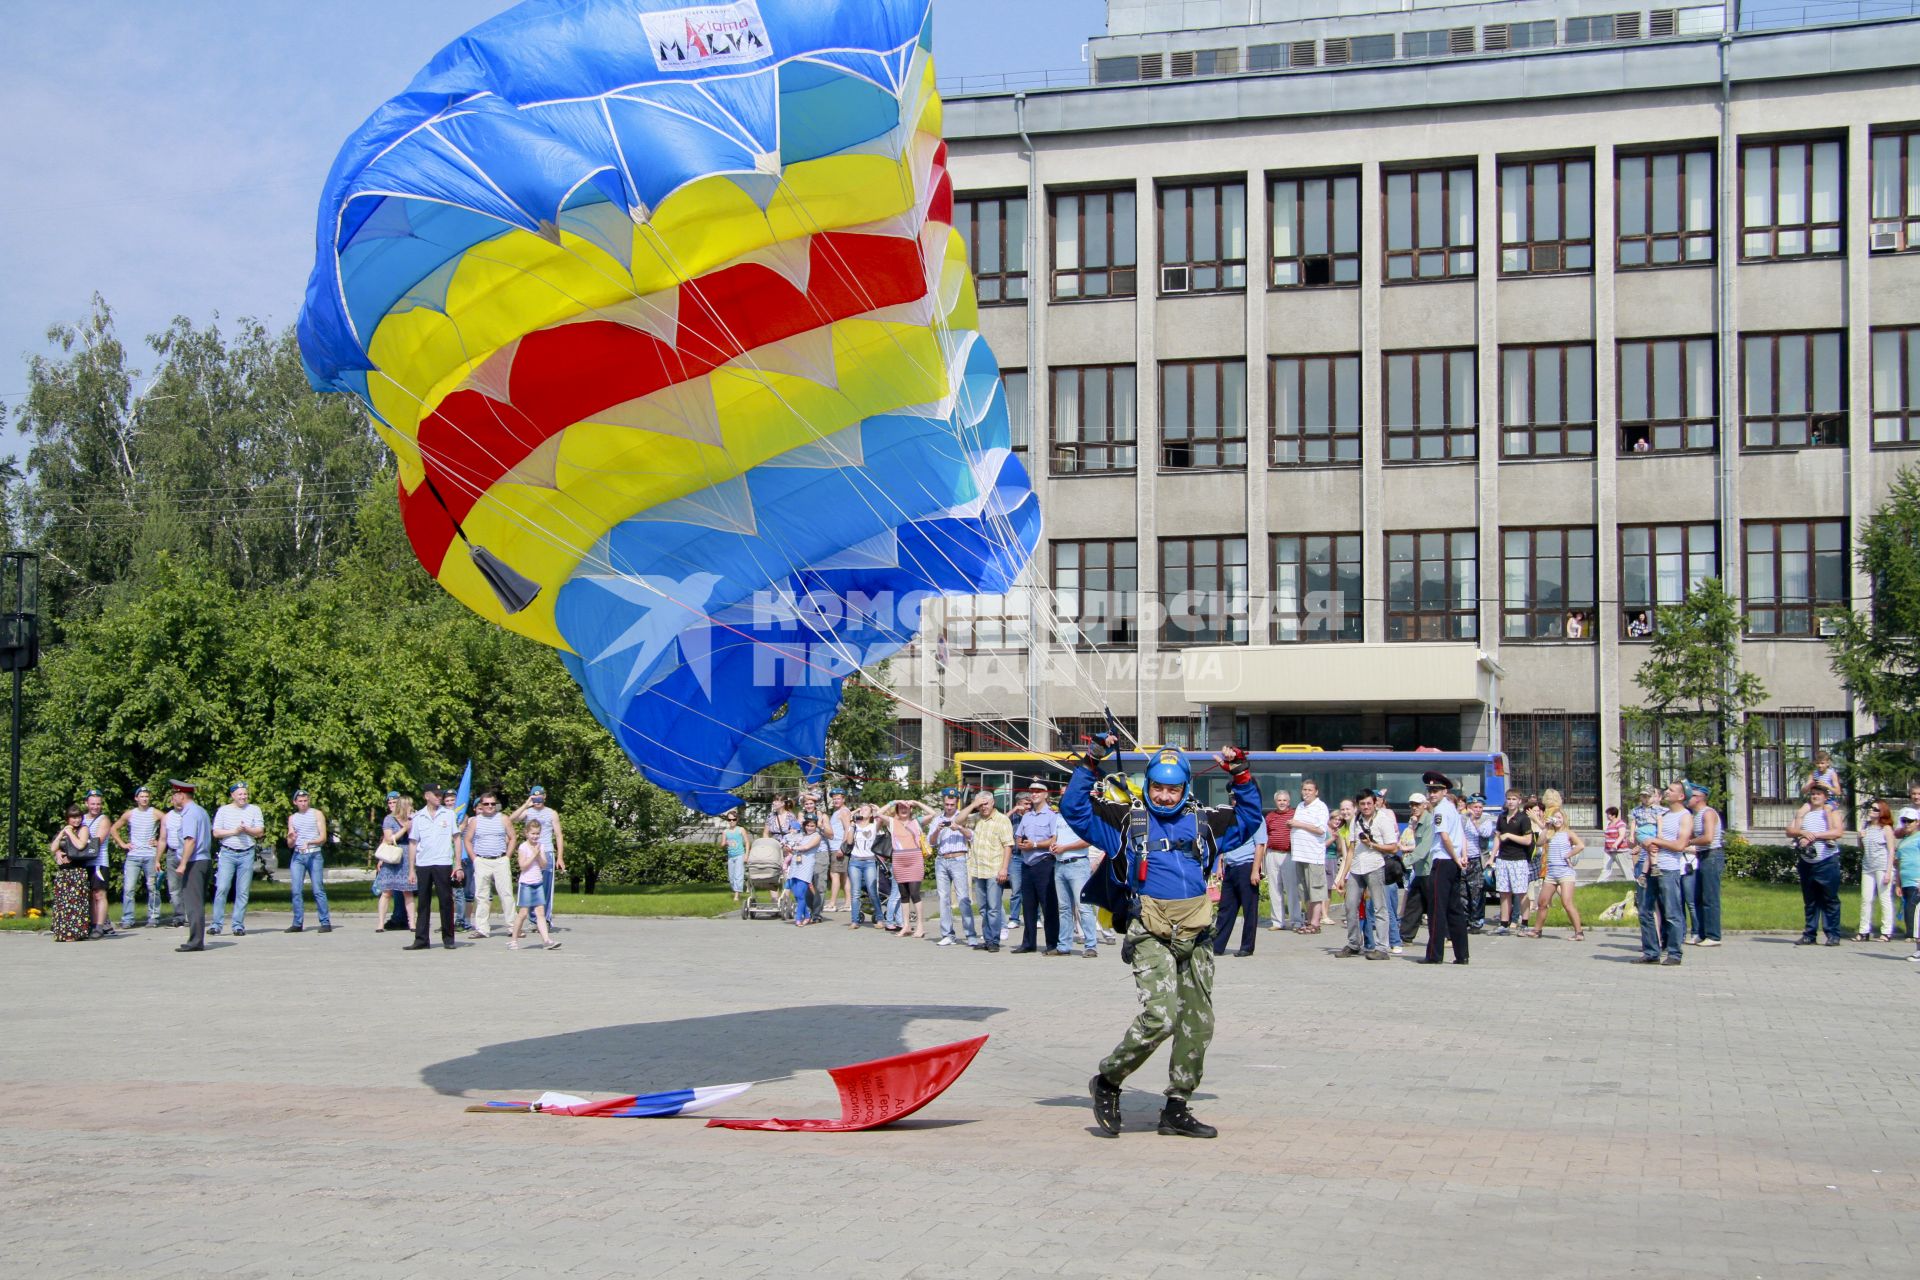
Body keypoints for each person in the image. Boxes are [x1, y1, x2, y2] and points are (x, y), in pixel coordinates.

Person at [1068, 740, 1262, 1140]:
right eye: (1157, 787)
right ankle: (1108, 1079)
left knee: (1197, 1023)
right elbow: (1075, 811)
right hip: (1150, 933)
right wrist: (1089, 764)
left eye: (1172, 789)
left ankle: (1176, 1107)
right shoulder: (1124, 820)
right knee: (1160, 1017)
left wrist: (1240, 774)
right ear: (1147, 785)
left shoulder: (1205, 822)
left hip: (1197, 933)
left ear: (1186, 788)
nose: (1164, 795)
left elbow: (1249, 820)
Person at [1637, 782, 1691, 965]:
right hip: (1651, 866)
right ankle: (1651, 951)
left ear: (1681, 796)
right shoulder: (1663, 814)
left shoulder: (1684, 816)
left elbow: (1680, 845)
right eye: (1667, 789)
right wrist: (1644, 840)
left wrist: (1656, 842)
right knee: (1645, 910)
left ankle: (1674, 953)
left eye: (1671, 790)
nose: (1667, 792)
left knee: (1671, 912)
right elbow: (1644, 833)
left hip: (1668, 868)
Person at [1335, 791, 1392, 960]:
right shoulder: (1356, 820)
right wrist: (1342, 876)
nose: (1366, 807)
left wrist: (1372, 844)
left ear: (1375, 803)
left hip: (1375, 866)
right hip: (1356, 867)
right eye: (1362, 804)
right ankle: (1353, 944)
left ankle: (1382, 948)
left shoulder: (1383, 820)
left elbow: (1393, 847)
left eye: (1368, 803)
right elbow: (1351, 849)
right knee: (1350, 905)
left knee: (1379, 907)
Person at [1422, 772, 1471, 964]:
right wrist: (1462, 857)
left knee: (1437, 909)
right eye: (1430, 790)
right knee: (1455, 909)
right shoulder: (1452, 808)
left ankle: (1435, 955)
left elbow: (1445, 837)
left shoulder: (1441, 810)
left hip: (1443, 861)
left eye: (1436, 790)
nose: (1432, 794)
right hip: (1453, 861)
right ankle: (1462, 954)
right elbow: (1461, 836)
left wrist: (1456, 858)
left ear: (1445, 791)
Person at [1788, 781, 1844, 946]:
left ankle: (1833, 934)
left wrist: (1814, 836)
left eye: (1819, 794)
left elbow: (1838, 832)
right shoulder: (1804, 813)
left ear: (1825, 797)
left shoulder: (1831, 812)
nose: (1815, 796)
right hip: (1807, 862)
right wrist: (1802, 832)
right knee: (1810, 900)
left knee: (1830, 899)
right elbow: (1789, 830)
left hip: (1827, 861)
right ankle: (1809, 934)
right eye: (1813, 794)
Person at [406, 785, 461, 951]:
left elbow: (457, 839)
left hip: (443, 862)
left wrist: (457, 864)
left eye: (440, 794)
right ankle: (421, 939)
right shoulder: (419, 817)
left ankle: (448, 938)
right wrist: (411, 869)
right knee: (423, 902)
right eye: (435, 794)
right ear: (426, 796)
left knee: (445, 901)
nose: (439, 797)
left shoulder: (449, 814)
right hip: (424, 863)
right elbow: (413, 843)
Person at [924, 789, 981, 948]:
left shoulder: (962, 816)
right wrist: (938, 829)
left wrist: (959, 827)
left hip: (958, 858)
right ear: (944, 802)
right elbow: (931, 842)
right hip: (942, 859)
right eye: (947, 804)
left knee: (963, 897)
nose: (949, 807)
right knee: (944, 899)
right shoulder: (938, 819)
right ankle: (947, 934)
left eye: (952, 804)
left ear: (956, 802)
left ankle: (970, 934)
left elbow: (972, 836)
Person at [208, 783, 264, 938]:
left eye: (245, 794)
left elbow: (259, 831)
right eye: (240, 794)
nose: (243, 797)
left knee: (243, 891)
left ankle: (238, 925)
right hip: (228, 853)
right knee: (222, 888)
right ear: (232, 795)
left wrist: (247, 830)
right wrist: (235, 831)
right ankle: (216, 924)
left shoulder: (254, 809)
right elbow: (216, 833)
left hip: (247, 853)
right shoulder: (224, 810)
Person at [1012, 782, 1061, 954]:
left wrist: (1034, 845)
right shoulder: (1027, 816)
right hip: (1027, 864)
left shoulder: (1051, 816)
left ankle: (1052, 943)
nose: (1034, 794)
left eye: (1038, 791)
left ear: (1046, 794)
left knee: (1048, 905)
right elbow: (1018, 837)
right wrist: (1022, 843)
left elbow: (1054, 840)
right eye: (1032, 791)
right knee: (1029, 906)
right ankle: (1028, 943)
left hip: (1044, 863)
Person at [962, 790, 1013, 953]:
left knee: (993, 907)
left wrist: (1004, 868)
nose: (983, 807)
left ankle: (994, 940)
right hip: (978, 869)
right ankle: (987, 937)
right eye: (980, 804)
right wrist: (973, 805)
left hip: (994, 870)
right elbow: (957, 820)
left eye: (985, 803)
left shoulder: (1002, 820)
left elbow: (1008, 845)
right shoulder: (975, 819)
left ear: (992, 803)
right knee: (983, 908)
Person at [1526, 807, 1586, 940]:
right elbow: (1540, 843)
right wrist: (1546, 827)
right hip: (1551, 873)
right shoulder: (1550, 833)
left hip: (1565, 872)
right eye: (1555, 818)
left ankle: (1579, 932)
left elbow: (1581, 845)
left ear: (1564, 819)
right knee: (1542, 902)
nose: (1558, 820)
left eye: (1560, 817)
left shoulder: (1568, 833)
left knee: (1567, 902)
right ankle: (1537, 930)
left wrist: (1568, 855)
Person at [463, 791, 516, 939]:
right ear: (481, 805)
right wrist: (474, 858)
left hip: (500, 860)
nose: (490, 806)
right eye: (486, 804)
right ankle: (482, 929)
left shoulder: (503, 819)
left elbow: (512, 838)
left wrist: (507, 857)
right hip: (482, 860)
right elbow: (467, 839)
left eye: (493, 803)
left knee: (506, 894)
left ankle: (513, 927)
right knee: (481, 896)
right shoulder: (475, 821)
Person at [112, 785, 165, 930]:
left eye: (147, 796)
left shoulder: (155, 813)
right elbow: (114, 828)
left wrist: (160, 840)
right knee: (129, 888)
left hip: (150, 855)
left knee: (153, 887)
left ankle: (154, 917)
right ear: (136, 798)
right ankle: (128, 918)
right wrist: (123, 844)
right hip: (133, 856)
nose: (145, 799)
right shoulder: (130, 814)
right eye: (142, 796)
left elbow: (169, 823)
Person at [169, 780, 213, 952]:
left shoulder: (189, 813)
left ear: (181, 795)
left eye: (174, 795)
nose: (173, 798)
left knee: (193, 903)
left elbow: (190, 840)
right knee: (196, 901)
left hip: (195, 861)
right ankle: (196, 939)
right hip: (204, 860)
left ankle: (195, 940)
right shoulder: (200, 811)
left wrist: (183, 863)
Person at [512, 786, 565, 926]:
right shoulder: (527, 812)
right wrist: (525, 804)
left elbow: (558, 835)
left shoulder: (551, 813)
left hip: (546, 851)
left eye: (540, 797)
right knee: (530, 883)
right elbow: (512, 819)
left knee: (546, 887)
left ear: (544, 797)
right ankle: (533, 919)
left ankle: (545, 919)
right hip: (530, 852)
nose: (537, 800)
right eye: (535, 798)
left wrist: (560, 857)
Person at [1053, 800, 1099, 959]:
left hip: (1077, 863)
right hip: (1059, 864)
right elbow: (1055, 837)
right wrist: (1053, 845)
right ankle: (1063, 945)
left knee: (1084, 907)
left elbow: (1088, 840)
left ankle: (1091, 945)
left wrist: (1065, 847)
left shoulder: (1082, 817)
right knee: (1064, 908)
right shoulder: (1058, 817)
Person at [284, 788, 333, 934]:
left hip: (314, 854)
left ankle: (325, 922)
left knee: (318, 889)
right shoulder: (293, 818)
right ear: (295, 802)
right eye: (300, 801)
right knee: (296, 890)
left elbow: (323, 837)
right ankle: (297, 923)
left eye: (305, 800)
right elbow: (290, 843)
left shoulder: (316, 814)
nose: (303, 803)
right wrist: (292, 838)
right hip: (298, 856)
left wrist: (310, 842)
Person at [1684, 782, 1724, 947]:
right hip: (1702, 856)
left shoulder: (1708, 813)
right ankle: (1700, 933)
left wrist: (1689, 841)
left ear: (1699, 798)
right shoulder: (1695, 815)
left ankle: (1713, 935)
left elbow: (1708, 838)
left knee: (1710, 897)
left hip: (1712, 855)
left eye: (1691, 796)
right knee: (1698, 897)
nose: (1687, 798)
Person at [509, 822, 559, 950]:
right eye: (533, 833)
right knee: (523, 913)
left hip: (538, 882)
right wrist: (533, 855)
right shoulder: (523, 847)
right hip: (526, 883)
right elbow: (523, 866)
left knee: (540, 912)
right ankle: (514, 940)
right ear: (526, 833)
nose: (535, 836)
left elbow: (543, 864)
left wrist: (539, 854)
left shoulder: (540, 846)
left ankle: (546, 940)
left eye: (537, 834)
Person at [1212, 829, 1261, 958]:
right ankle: (1217, 945)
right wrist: (1219, 865)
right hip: (1230, 867)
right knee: (1225, 908)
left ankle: (1247, 947)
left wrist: (1255, 870)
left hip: (1247, 865)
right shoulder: (1231, 817)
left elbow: (1260, 845)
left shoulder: (1255, 819)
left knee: (1249, 909)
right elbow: (1226, 844)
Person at [1289, 780, 1331, 934]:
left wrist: (1297, 824)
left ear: (1316, 792)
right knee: (1304, 891)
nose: (1306, 793)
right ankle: (1308, 920)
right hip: (1299, 854)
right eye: (1304, 790)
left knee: (1316, 890)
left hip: (1313, 855)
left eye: (1309, 790)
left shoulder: (1320, 807)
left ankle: (1315, 923)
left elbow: (1320, 830)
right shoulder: (1300, 806)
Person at [1493, 792, 1535, 935]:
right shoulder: (1502, 817)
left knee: (1521, 892)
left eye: (1514, 799)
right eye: (1509, 799)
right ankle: (1504, 923)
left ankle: (1524, 923)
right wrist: (1492, 856)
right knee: (1504, 892)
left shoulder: (1523, 818)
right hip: (1503, 859)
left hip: (1518, 859)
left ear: (1519, 801)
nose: (1510, 802)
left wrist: (1510, 836)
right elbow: (1497, 837)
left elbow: (1528, 840)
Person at [886, 798, 928, 939]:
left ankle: (920, 926)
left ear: (910, 809)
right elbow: (878, 814)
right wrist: (894, 802)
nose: (903, 809)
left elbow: (933, 813)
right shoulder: (892, 822)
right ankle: (906, 925)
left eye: (906, 807)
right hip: (898, 859)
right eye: (900, 807)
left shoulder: (916, 822)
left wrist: (917, 803)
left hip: (914, 858)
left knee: (915, 893)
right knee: (903, 894)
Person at [49, 806, 93, 942]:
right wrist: (62, 835)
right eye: (74, 817)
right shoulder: (65, 829)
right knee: (63, 903)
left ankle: (75, 932)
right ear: (68, 819)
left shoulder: (83, 829)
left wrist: (70, 834)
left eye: (79, 817)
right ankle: (63, 932)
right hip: (64, 872)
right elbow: (52, 848)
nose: (77, 820)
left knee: (76, 903)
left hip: (77, 871)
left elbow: (80, 845)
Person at [375, 792, 416, 932]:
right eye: (408, 805)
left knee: (407, 891)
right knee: (387, 891)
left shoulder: (413, 819)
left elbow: (416, 838)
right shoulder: (389, 819)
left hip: (407, 855)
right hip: (393, 855)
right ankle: (380, 923)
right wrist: (405, 828)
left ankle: (412, 923)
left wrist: (411, 823)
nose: (410, 808)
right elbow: (388, 839)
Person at [1396, 791, 1433, 945]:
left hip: (1430, 869)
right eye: (1411, 804)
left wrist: (1404, 863)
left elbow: (1424, 849)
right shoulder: (1418, 821)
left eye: (1417, 804)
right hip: (1420, 870)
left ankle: (1447, 936)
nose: (1414, 807)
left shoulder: (1429, 822)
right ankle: (1405, 936)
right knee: (1414, 903)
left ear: (1425, 805)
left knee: (1435, 905)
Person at [1858, 798, 1897, 943]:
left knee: (1884, 898)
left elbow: (1891, 850)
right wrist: (1859, 837)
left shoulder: (1886, 828)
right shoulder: (1866, 826)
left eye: (1875, 809)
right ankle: (1863, 931)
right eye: (1870, 808)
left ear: (1882, 813)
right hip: (1868, 867)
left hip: (1882, 867)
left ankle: (1886, 932)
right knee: (1866, 899)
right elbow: (1862, 848)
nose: (1871, 811)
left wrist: (1888, 872)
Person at [846, 804, 886, 928]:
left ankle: (879, 918)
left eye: (865, 809)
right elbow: (849, 842)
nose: (862, 810)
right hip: (855, 861)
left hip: (869, 861)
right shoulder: (855, 826)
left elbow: (882, 817)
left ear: (870, 814)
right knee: (855, 892)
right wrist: (853, 821)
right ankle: (855, 920)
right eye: (861, 809)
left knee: (872, 890)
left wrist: (876, 809)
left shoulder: (874, 826)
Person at [1263, 788, 1298, 930]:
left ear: (1289, 802)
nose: (1282, 803)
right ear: (1275, 801)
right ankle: (1277, 921)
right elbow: (1264, 837)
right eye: (1279, 800)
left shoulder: (1295, 815)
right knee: (1274, 889)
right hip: (1272, 854)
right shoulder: (1270, 816)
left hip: (1289, 855)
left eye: (1284, 800)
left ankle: (1296, 921)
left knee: (1292, 889)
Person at [1460, 793, 1494, 932]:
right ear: (1468, 807)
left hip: (1477, 859)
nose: (1478, 810)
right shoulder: (1461, 819)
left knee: (1477, 892)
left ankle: (1477, 921)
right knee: (1462, 892)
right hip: (1463, 859)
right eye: (1475, 807)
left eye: (1480, 807)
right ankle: (1464, 919)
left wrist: (1474, 820)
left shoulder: (1486, 820)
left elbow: (1485, 833)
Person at [81, 790, 113, 938]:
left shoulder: (104, 819)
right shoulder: (80, 819)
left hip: (99, 863)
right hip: (83, 862)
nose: (95, 807)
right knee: (89, 895)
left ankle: (100, 926)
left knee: (99, 894)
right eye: (92, 803)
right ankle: (92, 924)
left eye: (98, 804)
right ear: (86, 803)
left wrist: (78, 842)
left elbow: (96, 842)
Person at [783, 815, 822, 926]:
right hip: (795, 865)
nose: (810, 828)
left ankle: (798, 918)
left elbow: (806, 847)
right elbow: (789, 848)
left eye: (812, 825)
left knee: (800, 894)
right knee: (796, 894)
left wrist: (794, 847)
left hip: (806, 866)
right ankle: (807, 915)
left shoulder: (817, 836)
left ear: (815, 826)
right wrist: (787, 847)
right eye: (808, 825)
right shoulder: (800, 835)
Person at [824, 788, 852, 916]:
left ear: (843, 799)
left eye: (838, 798)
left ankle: (832, 903)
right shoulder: (837, 812)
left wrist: (843, 847)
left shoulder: (843, 812)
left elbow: (848, 829)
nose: (835, 800)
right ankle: (848, 903)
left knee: (834, 874)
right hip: (835, 846)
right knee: (844, 876)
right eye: (834, 799)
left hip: (838, 848)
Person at [1598, 806, 1633, 883]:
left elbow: (1622, 835)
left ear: (1614, 815)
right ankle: (1600, 882)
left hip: (1619, 850)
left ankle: (1631, 882)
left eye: (1608, 814)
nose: (1607, 816)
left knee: (1625, 867)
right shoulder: (1609, 824)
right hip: (1608, 849)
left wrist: (1616, 844)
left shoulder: (1620, 823)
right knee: (1606, 867)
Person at [722, 810, 750, 904]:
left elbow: (747, 842)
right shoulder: (725, 831)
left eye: (733, 819)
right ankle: (738, 889)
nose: (731, 821)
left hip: (740, 855)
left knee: (738, 875)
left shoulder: (740, 829)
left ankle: (737, 895)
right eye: (729, 820)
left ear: (737, 820)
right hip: (731, 856)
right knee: (731, 876)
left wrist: (746, 855)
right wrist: (726, 843)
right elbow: (722, 844)